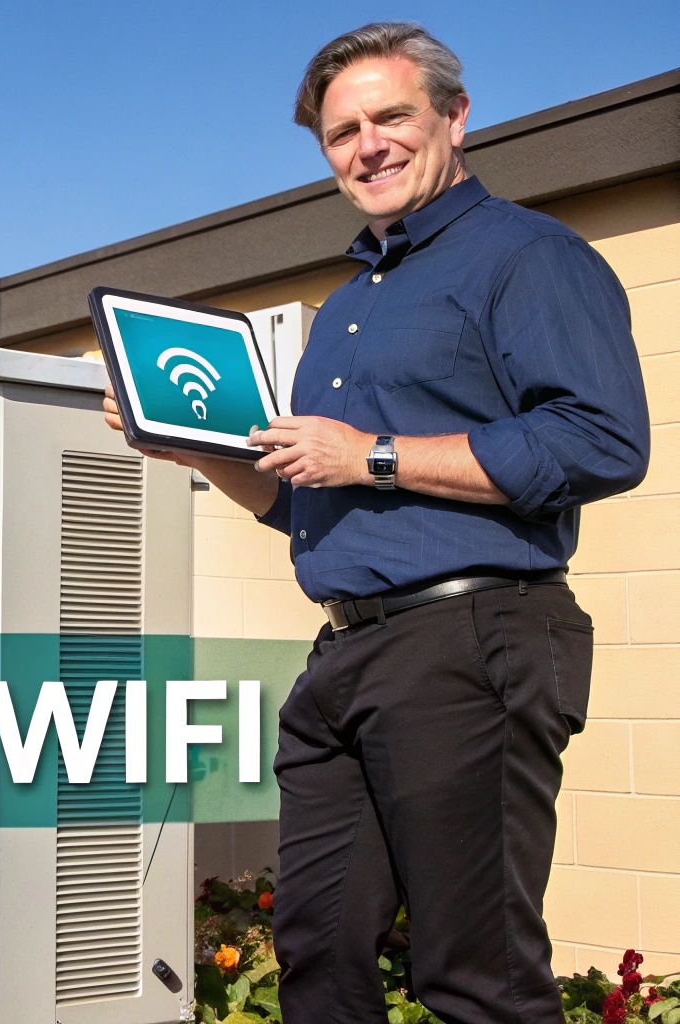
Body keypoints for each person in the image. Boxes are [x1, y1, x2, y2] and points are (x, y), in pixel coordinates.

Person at [102, 22, 650, 1023]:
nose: (366, 145)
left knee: (471, 970)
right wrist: (197, 449)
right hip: (345, 655)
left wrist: (368, 453)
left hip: (469, 640)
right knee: (316, 946)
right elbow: (306, 507)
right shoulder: (350, 303)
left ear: (452, 114)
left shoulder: (525, 258)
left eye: (389, 116)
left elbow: (599, 441)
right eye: (339, 132)